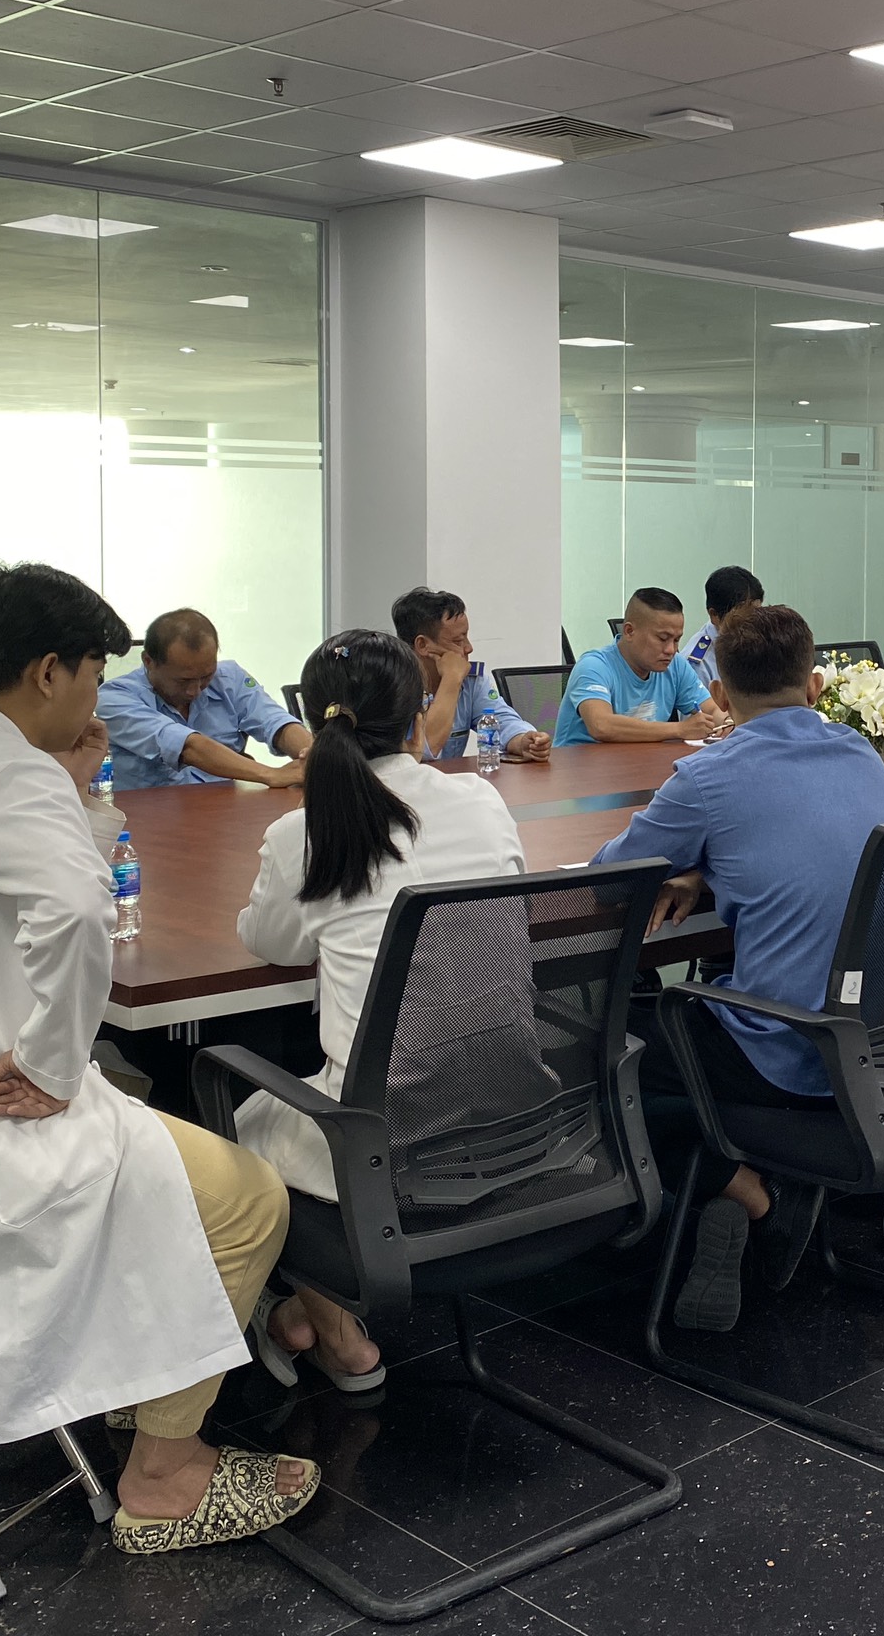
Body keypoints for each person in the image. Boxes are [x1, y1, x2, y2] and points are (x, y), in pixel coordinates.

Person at [0, 563, 314, 1555]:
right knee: (249, 1200)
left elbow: (44, 882)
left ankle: (132, 1379)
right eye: (89, 674)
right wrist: (48, 1067)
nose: (97, 699)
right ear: (48, 672)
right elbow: (80, 916)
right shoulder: (7, 774)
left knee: (139, 1116)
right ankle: (165, 1477)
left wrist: (76, 790)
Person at [231, 630, 542, 1391]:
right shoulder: (480, 799)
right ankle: (304, 1312)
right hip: (513, 1114)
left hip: (380, 1137)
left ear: (315, 718)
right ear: (417, 715)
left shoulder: (304, 832)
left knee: (232, 1124)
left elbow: (269, 942)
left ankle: (336, 1338)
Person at [590, 604, 884, 1330]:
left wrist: (697, 860)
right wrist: (711, 866)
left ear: (720, 696)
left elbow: (609, 881)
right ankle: (746, 1185)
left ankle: (749, 1193)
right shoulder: (861, 754)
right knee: (670, 1037)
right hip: (882, 1038)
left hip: (784, 1050)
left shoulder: (709, 777)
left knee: (601, 1051)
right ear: (815, 686)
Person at [98, 608, 311, 788]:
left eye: (206, 676)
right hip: (148, 817)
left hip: (226, 811)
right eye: (183, 680)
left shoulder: (230, 678)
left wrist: (311, 758)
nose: (195, 690)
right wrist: (270, 774)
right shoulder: (113, 699)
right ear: (148, 661)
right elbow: (187, 747)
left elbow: (275, 722)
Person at [392, 585, 550, 763]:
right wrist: (451, 679)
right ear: (422, 645)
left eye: (466, 637)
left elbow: (502, 720)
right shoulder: (391, 685)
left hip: (449, 779)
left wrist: (523, 740)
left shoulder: (472, 681)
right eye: (458, 641)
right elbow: (424, 751)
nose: (469, 648)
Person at [555, 587, 729, 746]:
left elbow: (712, 709)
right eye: (662, 638)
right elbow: (601, 725)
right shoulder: (593, 666)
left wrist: (727, 723)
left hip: (638, 764)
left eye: (676, 640)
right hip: (581, 767)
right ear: (629, 631)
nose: (671, 649)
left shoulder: (676, 665)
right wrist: (679, 729)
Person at [686, 564, 763, 685]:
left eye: (756, 615)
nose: (751, 626)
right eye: (741, 622)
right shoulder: (697, 665)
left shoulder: (762, 643)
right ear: (714, 615)